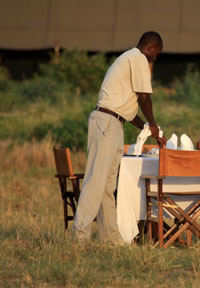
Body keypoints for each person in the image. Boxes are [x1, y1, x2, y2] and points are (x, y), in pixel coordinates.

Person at [72, 31, 166, 244]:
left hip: (113, 122)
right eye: (156, 53)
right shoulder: (138, 58)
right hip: (106, 122)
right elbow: (144, 97)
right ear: (150, 48)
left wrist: (151, 130)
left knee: (107, 186)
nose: (155, 58)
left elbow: (129, 112)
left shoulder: (128, 59)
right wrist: (153, 124)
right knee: (96, 181)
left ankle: (111, 239)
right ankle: (79, 238)